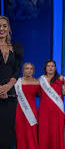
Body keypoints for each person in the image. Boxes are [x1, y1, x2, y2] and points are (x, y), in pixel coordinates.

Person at [0, 16, 24, 148]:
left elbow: (16, 70)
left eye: (4, 26)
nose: (1, 29)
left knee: (8, 132)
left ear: (8, 28)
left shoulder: (16, 47)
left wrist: (7, 87)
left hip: (10, 96)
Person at [38, 60, 65, 149]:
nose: (50, 68)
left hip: (57, 110)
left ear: (55, 68)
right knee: (44, 131)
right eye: (48, 66)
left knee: (55, 132)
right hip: (44, 110)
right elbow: (38, 94)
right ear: (45, 68)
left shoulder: (60, 79)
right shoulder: (40, 79)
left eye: (52, 66)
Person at [15, 63, 40, 149]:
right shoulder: (17, 82)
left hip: (32, 111)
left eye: (31, 69)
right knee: (21, 132)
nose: (29, 70)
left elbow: (40, 95)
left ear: (33, 71)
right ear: (23, 70)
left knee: (32, 132)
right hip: (20, 111)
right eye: (27, 68)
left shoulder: (37, 82)